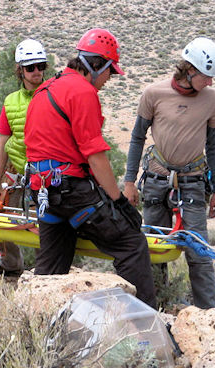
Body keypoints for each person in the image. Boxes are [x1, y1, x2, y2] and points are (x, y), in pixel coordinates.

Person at [24, 28, 157, 308]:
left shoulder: (46, 88)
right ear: (97, 65)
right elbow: (96, 157)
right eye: (110, 72)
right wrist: (119, 201)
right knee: (131, 244)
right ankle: (145, 325)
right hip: (72, 192)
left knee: (51, 269)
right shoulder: (83, 92)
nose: (109, 80)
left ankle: (37, 326)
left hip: (43, 193)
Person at [123, 37, 215, 309]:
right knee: (154, 249)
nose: (211, 83)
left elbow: (213, 146)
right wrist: (129, 181)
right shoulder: (153, 94)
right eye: (207, 76)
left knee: (198, 252)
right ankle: (152, 310)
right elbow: (137, 138)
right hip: (156, 181)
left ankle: (209, 314)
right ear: (189, 70)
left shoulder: (213, 100)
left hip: (193, 183)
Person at [0, 39, 48, 276]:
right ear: (20, 70)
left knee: (42, 227)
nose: (37, 72)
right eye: (31, 68)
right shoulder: (11, 102)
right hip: (17, 173)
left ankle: (45, 273)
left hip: (46, 175)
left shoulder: (54, 94)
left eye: (41, 66)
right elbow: (2, 145)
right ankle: (10, 263)